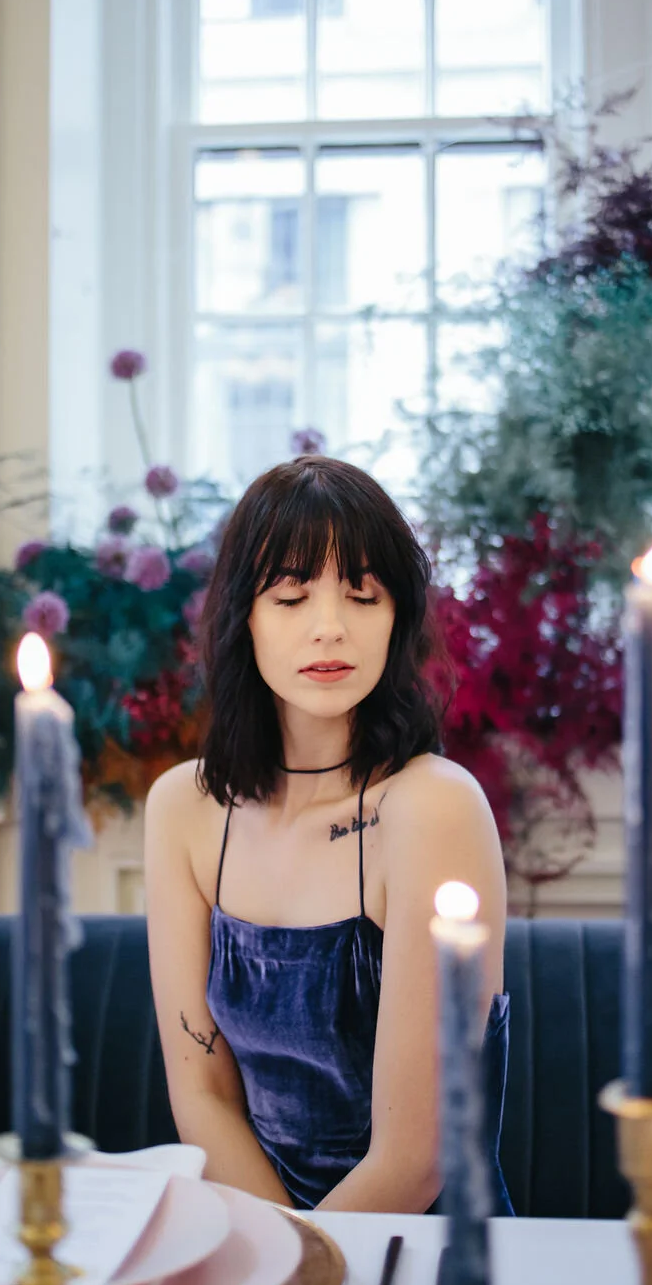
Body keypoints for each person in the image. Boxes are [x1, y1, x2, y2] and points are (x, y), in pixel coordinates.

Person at [144, 454, 511, 1213]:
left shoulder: (434, 809)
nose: (330, 627)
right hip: (257, 1236)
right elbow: (202, 1096)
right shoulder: (183, 808)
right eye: (290, 595)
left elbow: (415, 1163)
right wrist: (271, 1273)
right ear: (243, 616)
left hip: (429, 1255)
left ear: (396, 618)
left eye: (363, 595)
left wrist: (296, 1282)